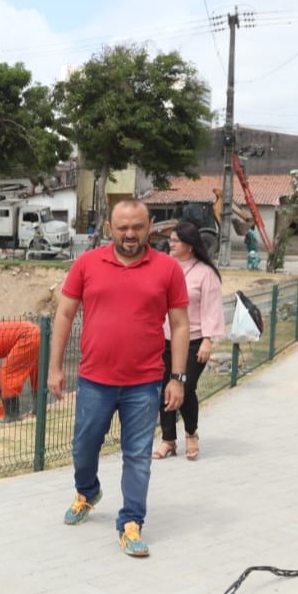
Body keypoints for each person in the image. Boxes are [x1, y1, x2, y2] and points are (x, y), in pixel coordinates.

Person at [47, 200, 189, 558]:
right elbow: (64, 314)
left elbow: (181, 325)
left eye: (137, 227)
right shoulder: (87, 263)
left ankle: (131, 522)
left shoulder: (168, 269)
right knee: (83, 448)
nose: (130, 234)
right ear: (110, 227)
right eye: (123, 227)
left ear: (150, 226)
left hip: (144, 382)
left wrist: (178, 377)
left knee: (138, 455)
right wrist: (55, 367)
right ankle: (88, 490)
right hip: (95, 380)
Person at [152, 222, 224, 462]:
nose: (170, 244)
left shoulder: (206, 273)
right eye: (170, 240)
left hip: (193, 342)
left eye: (176, 241)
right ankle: (168, 439)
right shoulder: (165, 267)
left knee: (185, 385)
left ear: (190, 246)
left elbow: (212, 308)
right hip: (165, 340)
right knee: (165, 388)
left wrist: (207, 340)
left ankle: (191, 433)